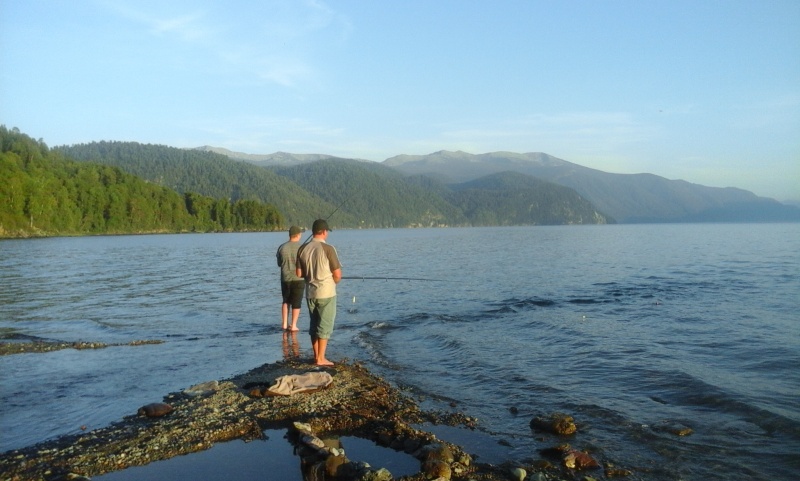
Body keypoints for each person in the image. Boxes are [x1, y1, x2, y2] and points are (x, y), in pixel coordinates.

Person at [295, 219, 342, 366]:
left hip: (310, 293)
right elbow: (337, 274)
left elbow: (299, 273)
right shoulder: (328, 249)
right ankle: (321, 359)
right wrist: (333, 282)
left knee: (314, 325)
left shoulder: (302, 249)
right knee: (324, 326)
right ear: (324, 232)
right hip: (326, 292)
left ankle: (316, 356)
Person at [276, 225, 305, 331]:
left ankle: (284, 324)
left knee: (285, 301)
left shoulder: (281, 247)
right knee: (297, 302)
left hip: (285, 278)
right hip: (299, 278)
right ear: (298, 235)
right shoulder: (302, 248)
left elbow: (279, 263)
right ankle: (293, 325)